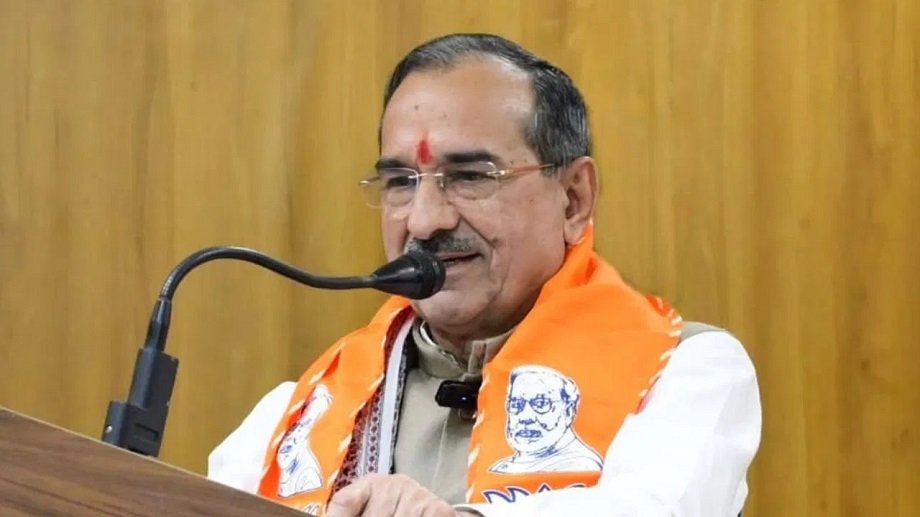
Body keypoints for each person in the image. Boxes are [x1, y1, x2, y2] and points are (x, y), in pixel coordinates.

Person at [207, 33, 761, 517]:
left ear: (573, 199)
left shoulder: (684, 374)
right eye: (400, 182)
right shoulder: (297, 415)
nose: (424, 221)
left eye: (470, 176)